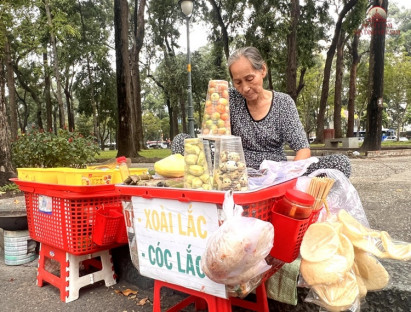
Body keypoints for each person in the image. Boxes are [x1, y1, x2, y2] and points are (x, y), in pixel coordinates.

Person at [172, 46, 351, 178]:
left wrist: (288, 176)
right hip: (234, 169)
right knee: (181, 141)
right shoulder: (230, 98)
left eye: (250, 78)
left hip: (274, 174)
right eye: (238, 82)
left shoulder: (283, 103)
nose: (245, 88)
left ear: (262, 70)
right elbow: (212, 135)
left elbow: (303, 149)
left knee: (339, 163)